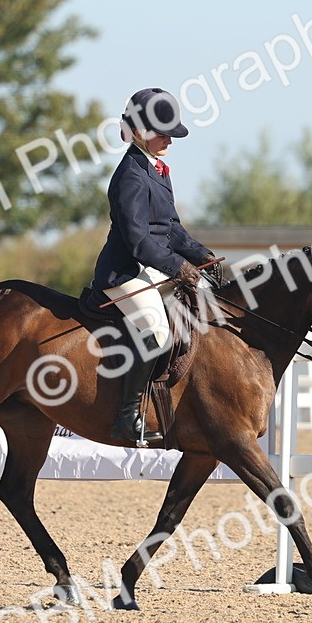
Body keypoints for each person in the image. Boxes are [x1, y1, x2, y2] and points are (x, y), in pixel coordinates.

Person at [91, 88, 217, 446]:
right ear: (138, 131)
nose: (168, 140)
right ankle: (127, 416)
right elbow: (137, 240)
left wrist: (201, 255)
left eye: (170, 133)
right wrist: (178, 266)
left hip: (153, 267)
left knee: (207, 305)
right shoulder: (130, 175)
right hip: (125, 273)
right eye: (162, 133)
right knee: (158, 330)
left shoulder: (157, 170)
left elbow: (171, 228)